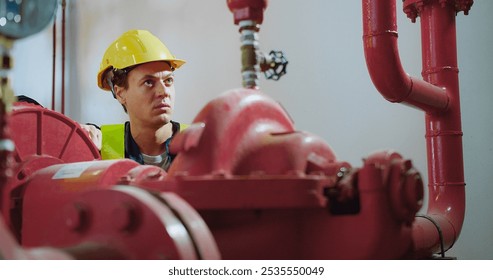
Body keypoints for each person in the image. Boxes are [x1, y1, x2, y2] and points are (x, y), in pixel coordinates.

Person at [83, 29, 187, 170]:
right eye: (149, 82)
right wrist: (80, 139)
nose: (164, 92)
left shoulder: (198, 143)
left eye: (168, 80)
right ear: (120, 94)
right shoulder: (100, 144)